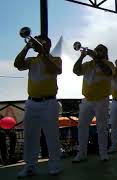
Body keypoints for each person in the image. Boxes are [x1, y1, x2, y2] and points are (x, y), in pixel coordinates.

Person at [14, 35, 62, 178]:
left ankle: (54, 165)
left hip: (49, 103)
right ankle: (30, 167)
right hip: (31, 103)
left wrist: (43, 53)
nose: (35, 43)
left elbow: (55, 70)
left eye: (38, 41)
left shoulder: (55, 59)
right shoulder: (31, 61)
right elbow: (17, 64)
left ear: (47, 44)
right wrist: (27, 47)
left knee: (51, 136)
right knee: (30, 136)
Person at [72, 44, 114, 162]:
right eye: (96, 50)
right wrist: (81, 57)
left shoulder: (109, 64)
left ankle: (103, 153)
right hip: (87, 100)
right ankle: (82, 153)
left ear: (105, 53)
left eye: (101, 51)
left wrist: (96, 58)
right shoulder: (88, 65)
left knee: (101, 128)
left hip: (102, 100)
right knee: (81, 127)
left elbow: (108, 73)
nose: (97, 52)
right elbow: (76, 71)